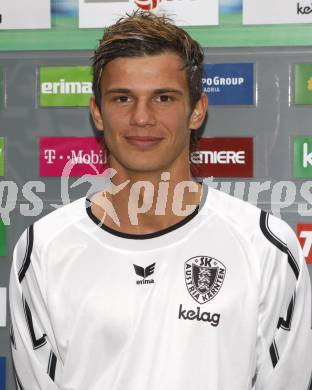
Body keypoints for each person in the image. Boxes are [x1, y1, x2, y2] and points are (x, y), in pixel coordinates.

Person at [9, 11, 312, 390]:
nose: (141, 118)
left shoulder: (265, 246)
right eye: (123, 98)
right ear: (97, 113)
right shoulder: (44, 249)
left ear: (197, 110)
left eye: (163, 98)